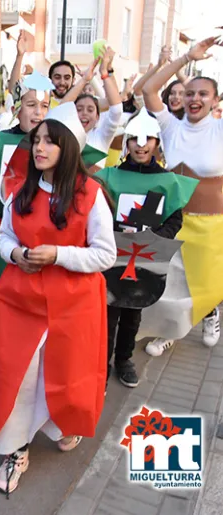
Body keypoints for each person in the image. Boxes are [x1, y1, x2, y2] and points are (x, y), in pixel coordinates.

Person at [0, 106, 116, 495]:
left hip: (73, 305)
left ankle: (64, 424)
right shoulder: (20, 191)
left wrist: (59, 255)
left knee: (64, 372)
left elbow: (105, 254)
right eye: (37, 139)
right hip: (21, 302)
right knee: (20, 378)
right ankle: (16, 448)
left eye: (50, 140)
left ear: (69, 147)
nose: (40, 147)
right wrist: (15, 256)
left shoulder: (90, 195)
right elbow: (6, 238)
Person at [0, 71, 54, 409]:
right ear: (17, 107)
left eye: (45, 106)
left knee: (38, 315)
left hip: (40, 245)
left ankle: (37, 380)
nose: (38, 112)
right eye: (31, 105)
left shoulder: (57, 147)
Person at [95, 108, 198, 387]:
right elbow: (97, 214)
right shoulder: (109, 177)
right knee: (108, 312)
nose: (141, 145)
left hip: (146, 257)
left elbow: (174, 219)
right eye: (135, 140)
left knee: (133, 311)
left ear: (156, 143)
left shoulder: (166, 181)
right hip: (113, 256)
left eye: (148, 139)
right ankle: (100, 366)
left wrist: (155, 237)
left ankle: (124, 359)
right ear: (126, 142)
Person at [138, 36, 223, 353]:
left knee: (210, 285)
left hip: (214, 225)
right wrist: (187, 56)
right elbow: (148, 91)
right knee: (172, 287)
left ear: (215, 100)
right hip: (177, 220)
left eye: (203, 94)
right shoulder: (170, 127)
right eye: (190, 93)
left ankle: (208, 314)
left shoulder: (219, 129)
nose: (195, 98)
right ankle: (170, 331)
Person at [61, 48, 123, 171]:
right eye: (79, 109)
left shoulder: (101, 136)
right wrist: (84, 80)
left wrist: (105, 72)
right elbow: (61, 109)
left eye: (90, 110)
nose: (84, 113)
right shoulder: (64, 135)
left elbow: (116, 109)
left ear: (97, 116)